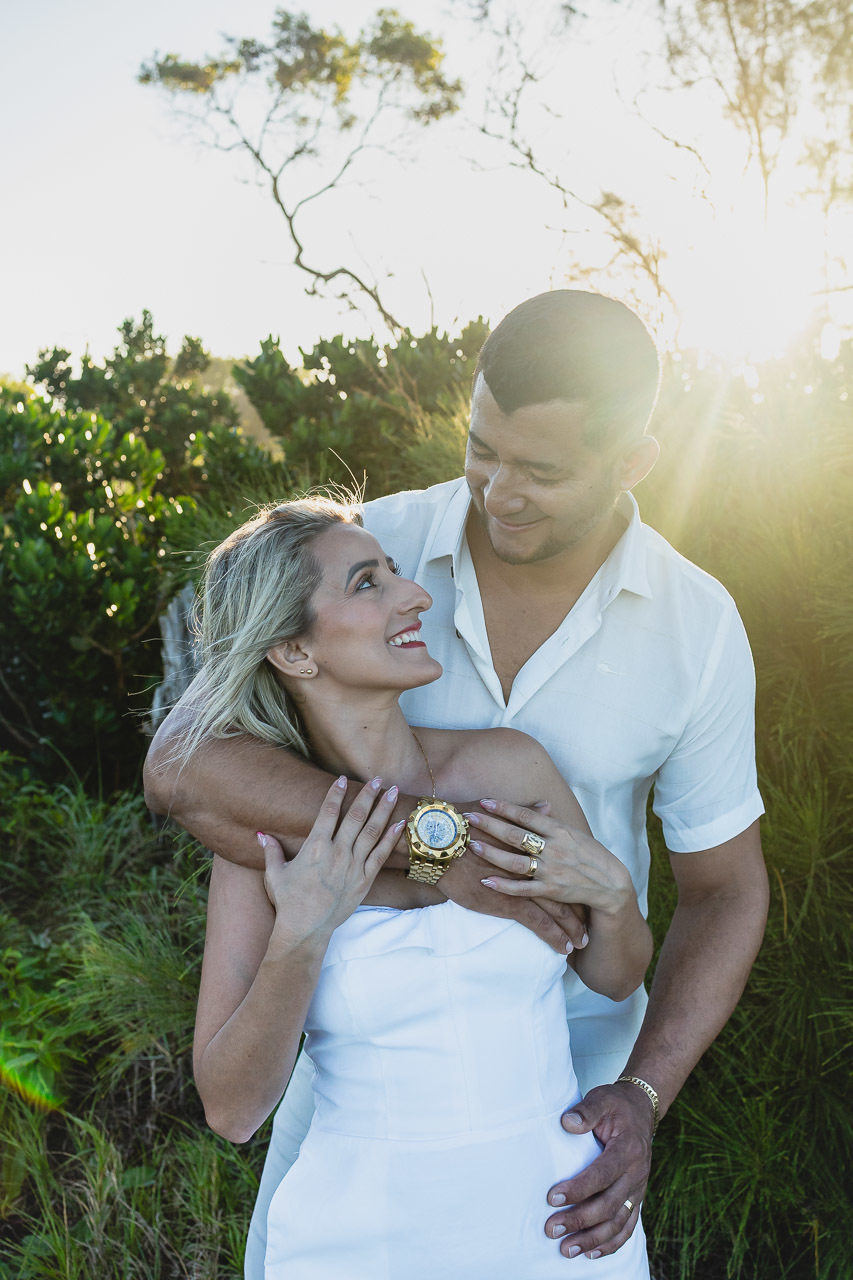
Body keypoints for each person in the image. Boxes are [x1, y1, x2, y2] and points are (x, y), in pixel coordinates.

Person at [144, 289, 769, 1269]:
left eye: (541, 469)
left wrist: (641, 1093)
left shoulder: (696, 626)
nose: (496, 487)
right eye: (482, 447)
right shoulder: (370, 539)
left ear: (631, 463)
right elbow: (179, 760)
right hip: (351, 1130)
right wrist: (440, 847)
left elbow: (724, 891)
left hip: (561, 1133)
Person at [185, 495, 654, 1277]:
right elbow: (232, 1112)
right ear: (295, 651)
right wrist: (300, 937)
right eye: (368, 583)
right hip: (361, 1243)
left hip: (561, 1228)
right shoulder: (264, 843)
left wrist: (612, 897)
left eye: (397, 573)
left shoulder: (508, 769)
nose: (415, 596)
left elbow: (613, 975)